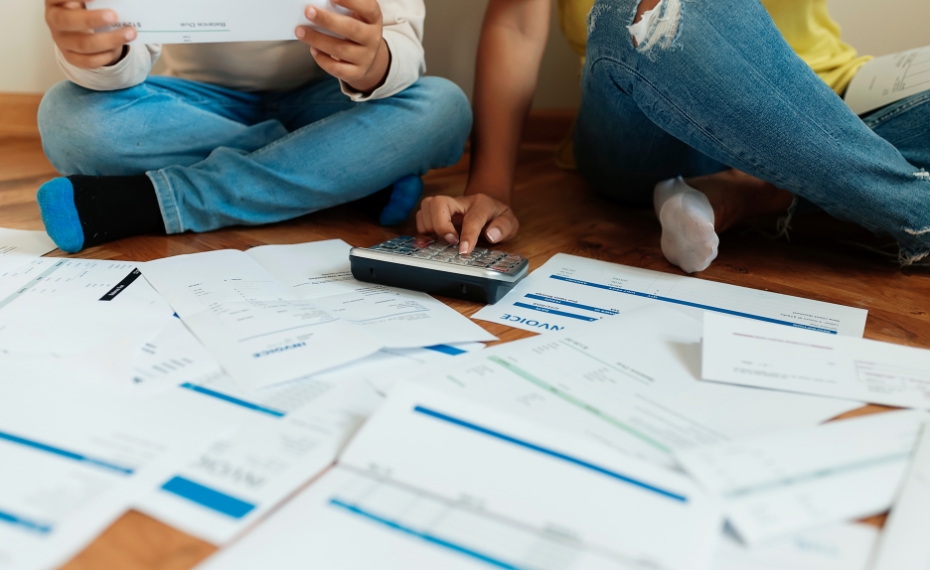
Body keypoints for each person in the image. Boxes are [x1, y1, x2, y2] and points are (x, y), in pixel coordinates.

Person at [416, 0, 930, 272]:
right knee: (646, 11)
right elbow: (517, 24)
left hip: (830, 102)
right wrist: (490, 186)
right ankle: (909, 207)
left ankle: (754, 192)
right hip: (645, 120)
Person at [37, 0, 471, 253]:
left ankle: (155, 202)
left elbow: (402, 45)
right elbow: (127, 53)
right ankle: (353, 176)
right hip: (206, 104)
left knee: (444, 106)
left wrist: (374, 62)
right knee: (66, 115)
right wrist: (100, 53)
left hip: (332, 99)